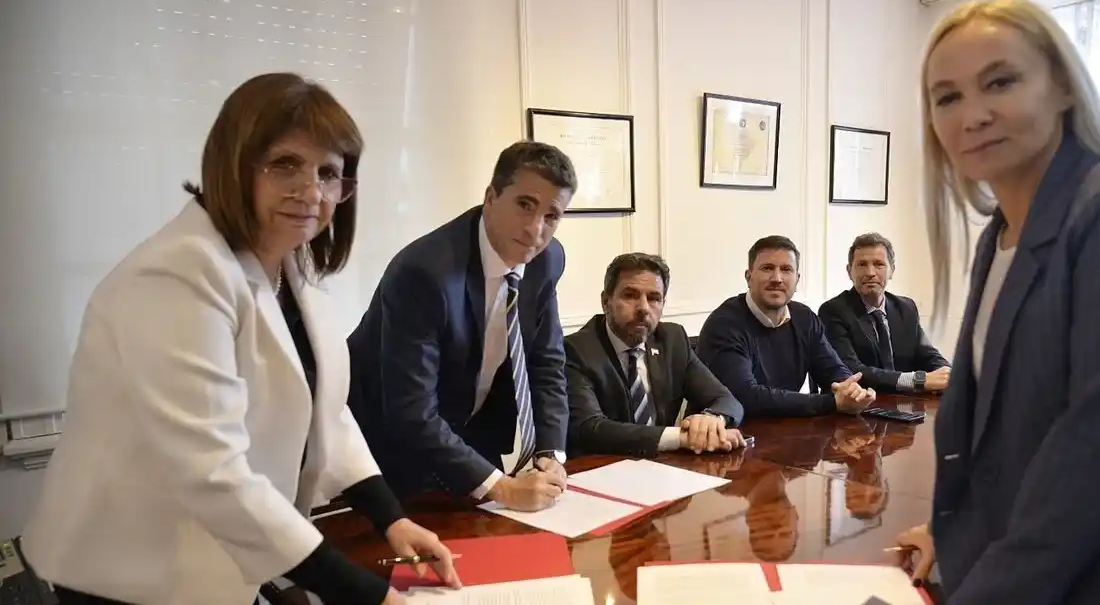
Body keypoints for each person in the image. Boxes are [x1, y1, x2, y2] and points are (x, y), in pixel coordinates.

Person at [20, 73, 458, 605]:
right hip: (130, 571)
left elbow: (327, 413)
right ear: (233, 163)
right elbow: (214, 473)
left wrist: (392, 519)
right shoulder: (176, 275)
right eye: (285, 164)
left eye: (329, 173)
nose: (311, 191)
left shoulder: (288, 269)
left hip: (221, 559)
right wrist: (370, 596)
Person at [893, 0, 1100, 604]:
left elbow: (1099, 463)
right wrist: (959, 533)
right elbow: (1016, 443)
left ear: (1065, 89)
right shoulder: (999, 239)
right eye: (948, 97)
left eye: (1000, 82)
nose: (972, 115)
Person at [348, 141, 574, 513]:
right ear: (490, 197)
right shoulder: (424, 273)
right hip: (391, 445)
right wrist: (502, 488)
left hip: (472, 436)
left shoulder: (548, 260)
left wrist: (552, 453)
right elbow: (412, 412)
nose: (536, 229)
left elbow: (546, 363)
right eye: (524, 205)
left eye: (552, 215)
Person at [564, 253, 745, 456]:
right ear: (606, 301)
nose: (643, 308)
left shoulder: (672, 339)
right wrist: (681, 438)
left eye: (653, 298)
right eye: (630, 295)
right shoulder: (576, 350)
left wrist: (711, 420)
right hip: (598, 471)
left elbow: (727, 401)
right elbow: (590, 429)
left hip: (662, 470)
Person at [697, 235, 875, 418]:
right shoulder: (724, 324)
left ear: (797, 280)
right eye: (767, 268)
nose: (777, 278)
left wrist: (851, 389)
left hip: (788, 430)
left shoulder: (804, 317)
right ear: (748, 277)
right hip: (733, 435)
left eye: (786, 269)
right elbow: (745, 397)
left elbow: (831, 369)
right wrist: (832, 403)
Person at [818, 233, 950, 393]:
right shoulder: (833, 311)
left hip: (907, 406)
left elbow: (928, 354)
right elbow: (852, 370)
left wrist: (950, 376)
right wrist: (918, 380)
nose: (870, 272)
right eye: (862, 264)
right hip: (863, 406)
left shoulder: (905, 308)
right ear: (849, 271)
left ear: (892, 270)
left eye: (878, 264)